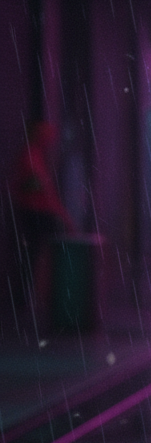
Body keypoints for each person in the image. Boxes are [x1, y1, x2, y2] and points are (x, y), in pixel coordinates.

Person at [11, 121, 76, 314]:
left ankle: (31, 297)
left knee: (34, 256)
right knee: (34, 256)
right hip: (35, 213)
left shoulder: (36, 157)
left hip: (36, 212)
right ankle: (27, 298)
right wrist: (63, 216)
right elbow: (41, 192)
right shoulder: (32, 158)